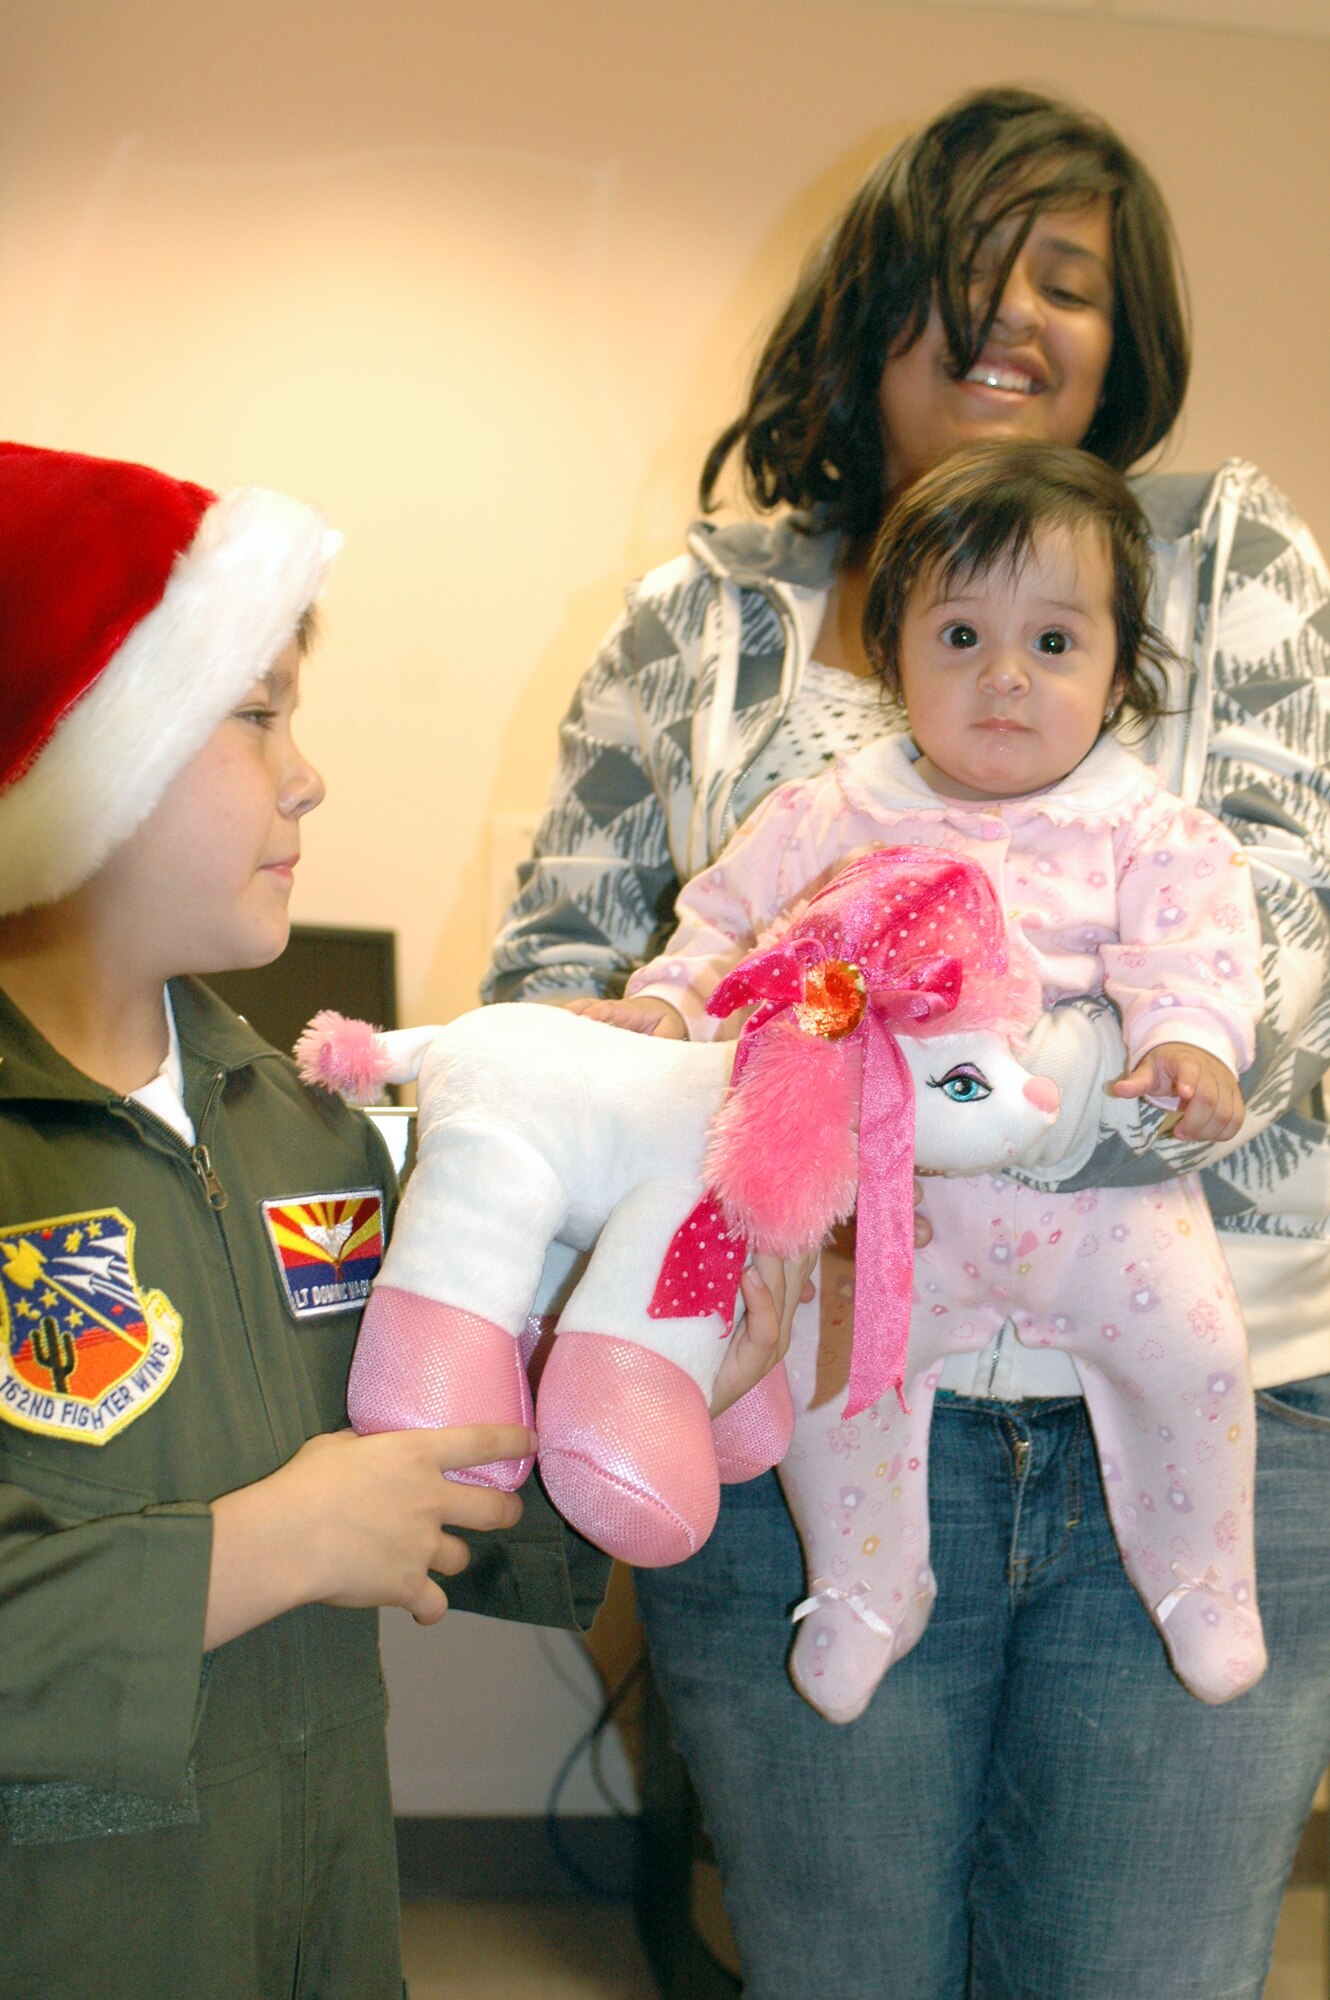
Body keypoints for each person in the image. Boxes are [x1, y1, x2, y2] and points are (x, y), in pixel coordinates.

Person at [484, 85, 1330, 2000]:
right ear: (868, 305)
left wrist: (906, 1103)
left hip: (1222, 1379)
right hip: (805, 1367)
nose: (1022, 317)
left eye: (1073, 282)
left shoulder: (1229, 556)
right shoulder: (707, 613)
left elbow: (1275, 961)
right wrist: (729, 1184)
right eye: (972, 269)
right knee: (839, 1968)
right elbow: (582, 973)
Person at [0, 440, 600, 2000]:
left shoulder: (309, 1128)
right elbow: (303, 1531)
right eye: (253, 711)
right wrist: (255, 1550)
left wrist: (636, 1373)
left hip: (318, 1916)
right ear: (76, 748)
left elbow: (431, 1482)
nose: (308, 771)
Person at [597, 436, 1266, 1718]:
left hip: (1105, 1220)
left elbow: (1193, 953)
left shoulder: (1148, 828)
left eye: (1055, 643)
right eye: (959, 636)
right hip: (891, 1220)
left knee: (1195, 1354)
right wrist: (669, 1006)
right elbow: (727, 933)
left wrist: (1188, 1044)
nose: (1004, 676)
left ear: (1121, 668)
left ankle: (1202, 1577)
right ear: (893, 648)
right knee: (826, 1376)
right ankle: (864, 1584)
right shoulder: (823, 813)